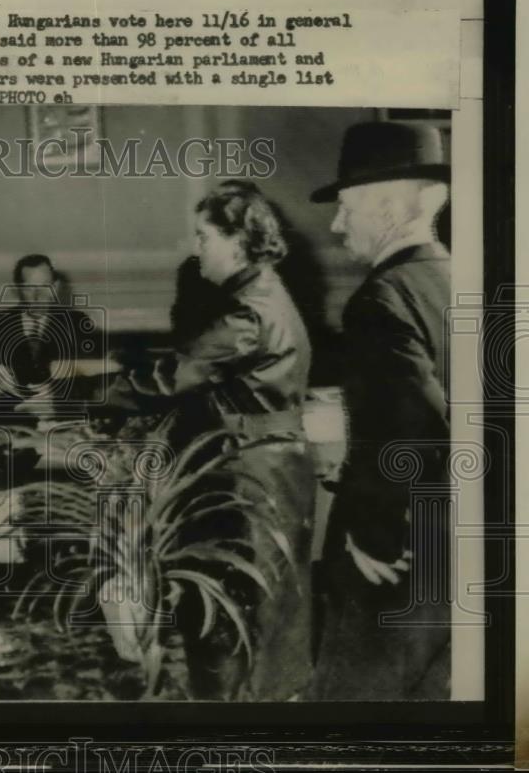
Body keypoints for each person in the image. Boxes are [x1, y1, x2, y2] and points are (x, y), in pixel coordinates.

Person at [130, 180, 315, 702]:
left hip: (250, 473)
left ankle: (234, 728)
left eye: (203, 236)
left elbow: (171, 378)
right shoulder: (262, 291)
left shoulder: (246, 311)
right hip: (267, 465)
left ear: (237, 241)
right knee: (270, 616)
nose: (196, 248)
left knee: (236, 615)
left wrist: (77, 390)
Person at [309, 122, 451, 700]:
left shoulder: (380, 298)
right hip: (460, 547)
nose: (337, 225)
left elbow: (414, 428)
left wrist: (374, 536)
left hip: (398, 557)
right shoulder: (460, 278)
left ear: (389, 207)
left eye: (346, 208)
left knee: (350, 714)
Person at [0, 254, 104, 396]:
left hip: (61, 411)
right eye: (29, 288)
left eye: (45, 286)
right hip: (8, 412)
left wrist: (56, 394)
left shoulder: (77, 323)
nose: (38, 296)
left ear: (55, 287)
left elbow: (90, 378)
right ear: (17, 289)